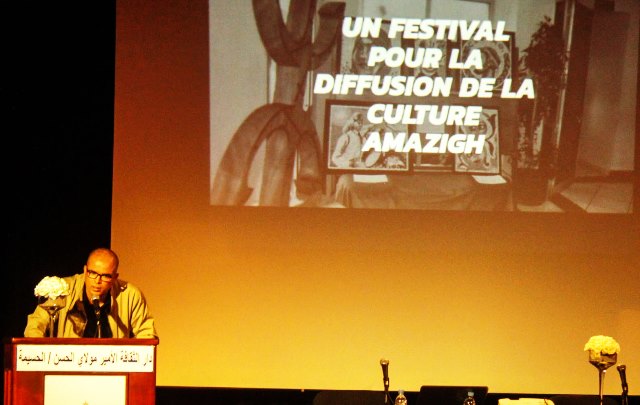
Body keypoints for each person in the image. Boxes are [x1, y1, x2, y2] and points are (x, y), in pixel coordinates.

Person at [24, 247, 158, 338]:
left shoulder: (130, 295)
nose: (97, 281)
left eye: (105, 276)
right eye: (93, 273)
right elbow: (35, 326)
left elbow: (147, 334)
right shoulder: (62, 289)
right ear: (85, 270)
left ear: (115, 277)